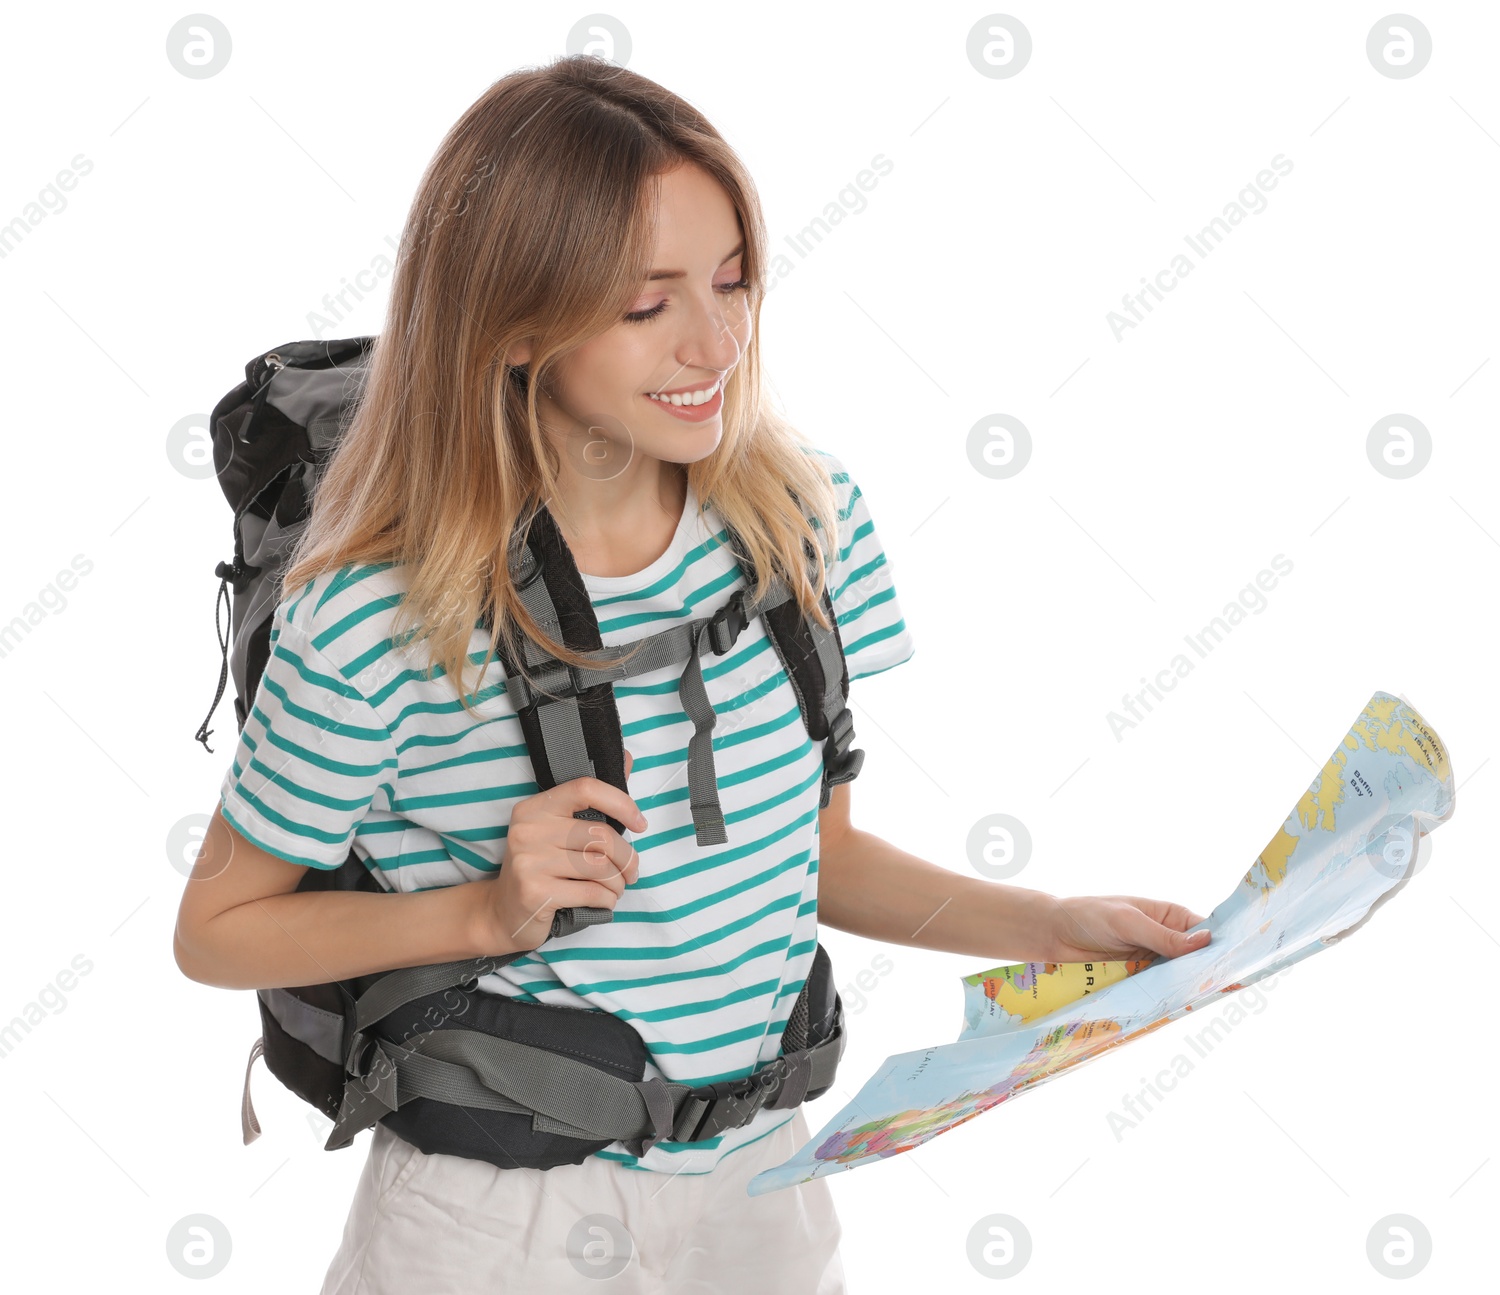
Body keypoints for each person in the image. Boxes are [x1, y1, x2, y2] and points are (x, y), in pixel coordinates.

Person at [172, 54, 1212, 1294]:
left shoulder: (798, 522)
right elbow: (217, 930)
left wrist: (1053, 926)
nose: (714, 341)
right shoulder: (377, 614)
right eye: (644, 303)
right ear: (512, 325)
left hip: (759, 1187)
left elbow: (805, 856)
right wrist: (483, 913)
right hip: (491, 1221)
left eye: (731, 280)